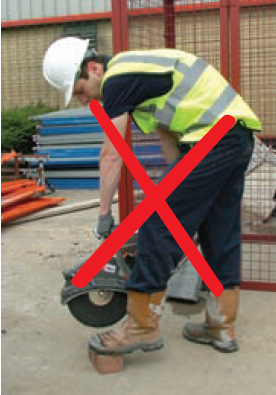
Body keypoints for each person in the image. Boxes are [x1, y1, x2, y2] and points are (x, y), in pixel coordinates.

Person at [43, 36, 261, 356]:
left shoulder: (117, 80)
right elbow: (168, 135)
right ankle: (221, 327)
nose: (82, 100)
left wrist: (104, 215)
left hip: (211, 141)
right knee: (220, 231)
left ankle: (141, 327)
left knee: (158, 225)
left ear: (93, 68)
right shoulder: (142, 74)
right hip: (235, 139)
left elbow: (111, 154)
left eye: (80, 90)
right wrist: (176, 189)